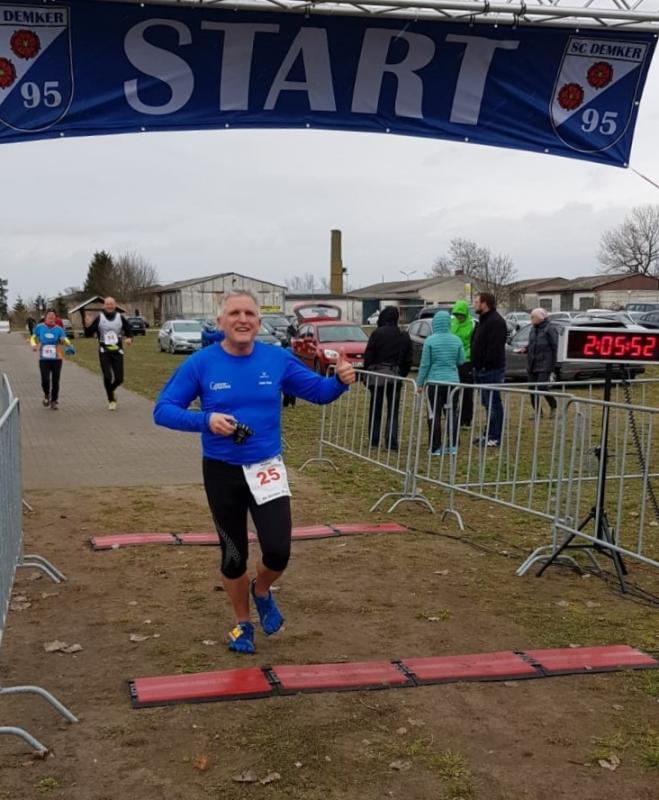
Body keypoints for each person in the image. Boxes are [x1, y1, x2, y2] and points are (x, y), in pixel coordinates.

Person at [153, 290, 356, 655]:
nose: (242, 319)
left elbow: (319, 392)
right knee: (233, 556)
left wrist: (340, 380)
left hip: (266, 469)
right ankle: (242, 623)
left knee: (278, 551)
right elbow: (163, 409)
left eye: (249, 313)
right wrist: (205, 420)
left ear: (259, 323)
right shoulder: (201, 363)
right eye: (234, 313)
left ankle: (261, 590)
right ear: (220, 322)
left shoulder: (276, 359)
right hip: (222, 472)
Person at [415, 310, 464, 455]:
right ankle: (453, 445)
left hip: (434, 383)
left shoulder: (430, 341)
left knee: (434, 414)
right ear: (449, 323)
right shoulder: (457, 340)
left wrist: (419, 383)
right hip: (453, 383)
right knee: (452, 414)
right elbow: (461, 360)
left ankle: (435, 446)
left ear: (435, 323)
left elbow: (425, 364)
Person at [363, 306, 412, 450]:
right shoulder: (403, 335)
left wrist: (368, 372)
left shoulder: (377, 333)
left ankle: (374, 440)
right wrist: (401, 374)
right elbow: (408, 359)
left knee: (375, 408)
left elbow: (368, 356)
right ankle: (391, 442)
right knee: (393, 411)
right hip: (395, 375)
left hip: (378, 375)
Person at [471, 292, 508, 447]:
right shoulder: (483, 321)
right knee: (487, 404)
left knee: (493, 404)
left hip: (491, 370)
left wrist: (485, 365)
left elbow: (495, 348)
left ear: (484, 303)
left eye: (477, 302)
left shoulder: (496, 322)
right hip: (481, 369)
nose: (474, 304)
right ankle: (488, 433)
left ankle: (494, 436)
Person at [83, 297, 133, 410]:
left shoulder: (120, 317)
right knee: (107, 376)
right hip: (104, 351)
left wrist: (129, 338)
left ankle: (111, 390)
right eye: (107, 304)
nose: (109, 306)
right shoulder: (100, 318)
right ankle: (111, 400)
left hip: (117, 351)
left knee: (119, 378)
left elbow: (129, 330)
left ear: (115, 305)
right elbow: (88, 334)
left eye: (111, 304)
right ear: (104, 306)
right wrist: (87, 324)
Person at [30, 310, 72, 410]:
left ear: (55, 318)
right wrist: (34, 345)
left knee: (55, 380)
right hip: (44, 359)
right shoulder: (40, 327)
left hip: (57, 358)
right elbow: (33, 337)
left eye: (53, 316)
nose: (51, 318)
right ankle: (46, 394)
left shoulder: (59, 329)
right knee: (45, 380)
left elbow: (65, 339)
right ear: (45, 318)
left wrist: (68, 345)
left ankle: (54, 400)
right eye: (49, 316)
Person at [527, 308, 558, 418]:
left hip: (545, 363)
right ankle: (537, 412)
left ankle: (553, 406)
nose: (531, 319)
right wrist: (525, 349)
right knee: (532, 389)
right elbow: (532, 345)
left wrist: (553, 366)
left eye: (533, 317)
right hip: (532, 363)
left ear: (540, 318)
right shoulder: (532, 330)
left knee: (542, 387)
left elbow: (554, 347)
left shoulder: (550, 329)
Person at [450, 299, 476, 427]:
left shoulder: (473, 324)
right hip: (453, 360)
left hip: (466, 361)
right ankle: (453, 417)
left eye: (461, 314)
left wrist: (468, 355)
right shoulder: (451, 322)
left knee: (467, 392)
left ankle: (466, 419)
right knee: (453, 391)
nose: (459, 317)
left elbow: (474, 343)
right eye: (457, 314)